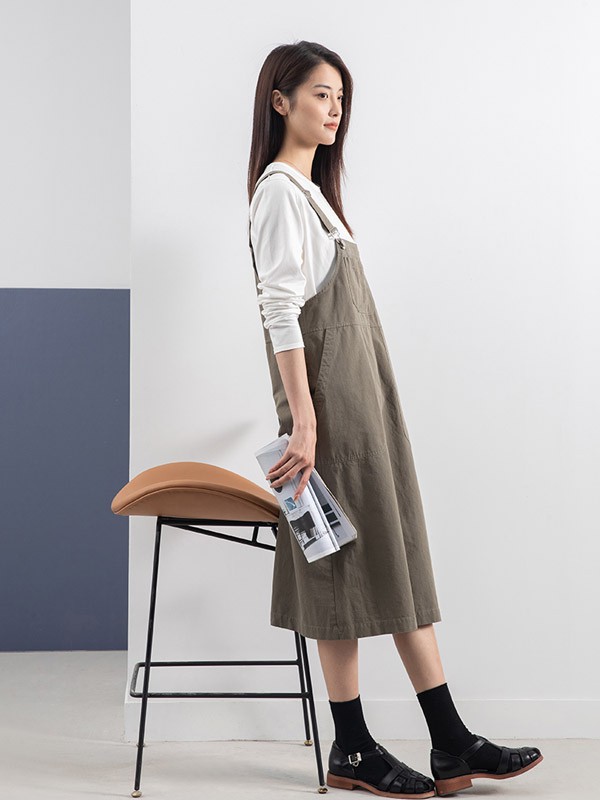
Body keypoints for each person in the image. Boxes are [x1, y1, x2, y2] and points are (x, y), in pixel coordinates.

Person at [246, 40, 543, 798]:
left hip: (362, 407)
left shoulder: (313, 196)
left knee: (397, 554)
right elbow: (280, 311)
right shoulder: (280, 192)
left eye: (341, 97)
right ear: (281, 101)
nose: (334, 109)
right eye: (320, 94)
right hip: (328, 416)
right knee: (338, 570)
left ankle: (450, 741)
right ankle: (353, 747)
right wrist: (306, 422)